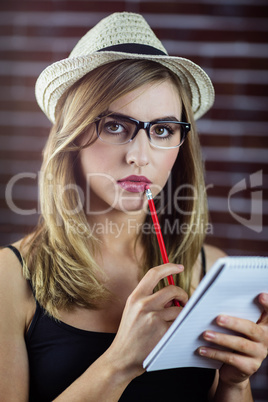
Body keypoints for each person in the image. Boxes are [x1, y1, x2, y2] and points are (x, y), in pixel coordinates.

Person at [0, 12, 267, 402]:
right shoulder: (11, 279)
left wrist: (234, 383)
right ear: (71, 136)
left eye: (161, 130)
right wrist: (120, 362)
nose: (139, 157)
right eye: (115, 126)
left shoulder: (206, 267)